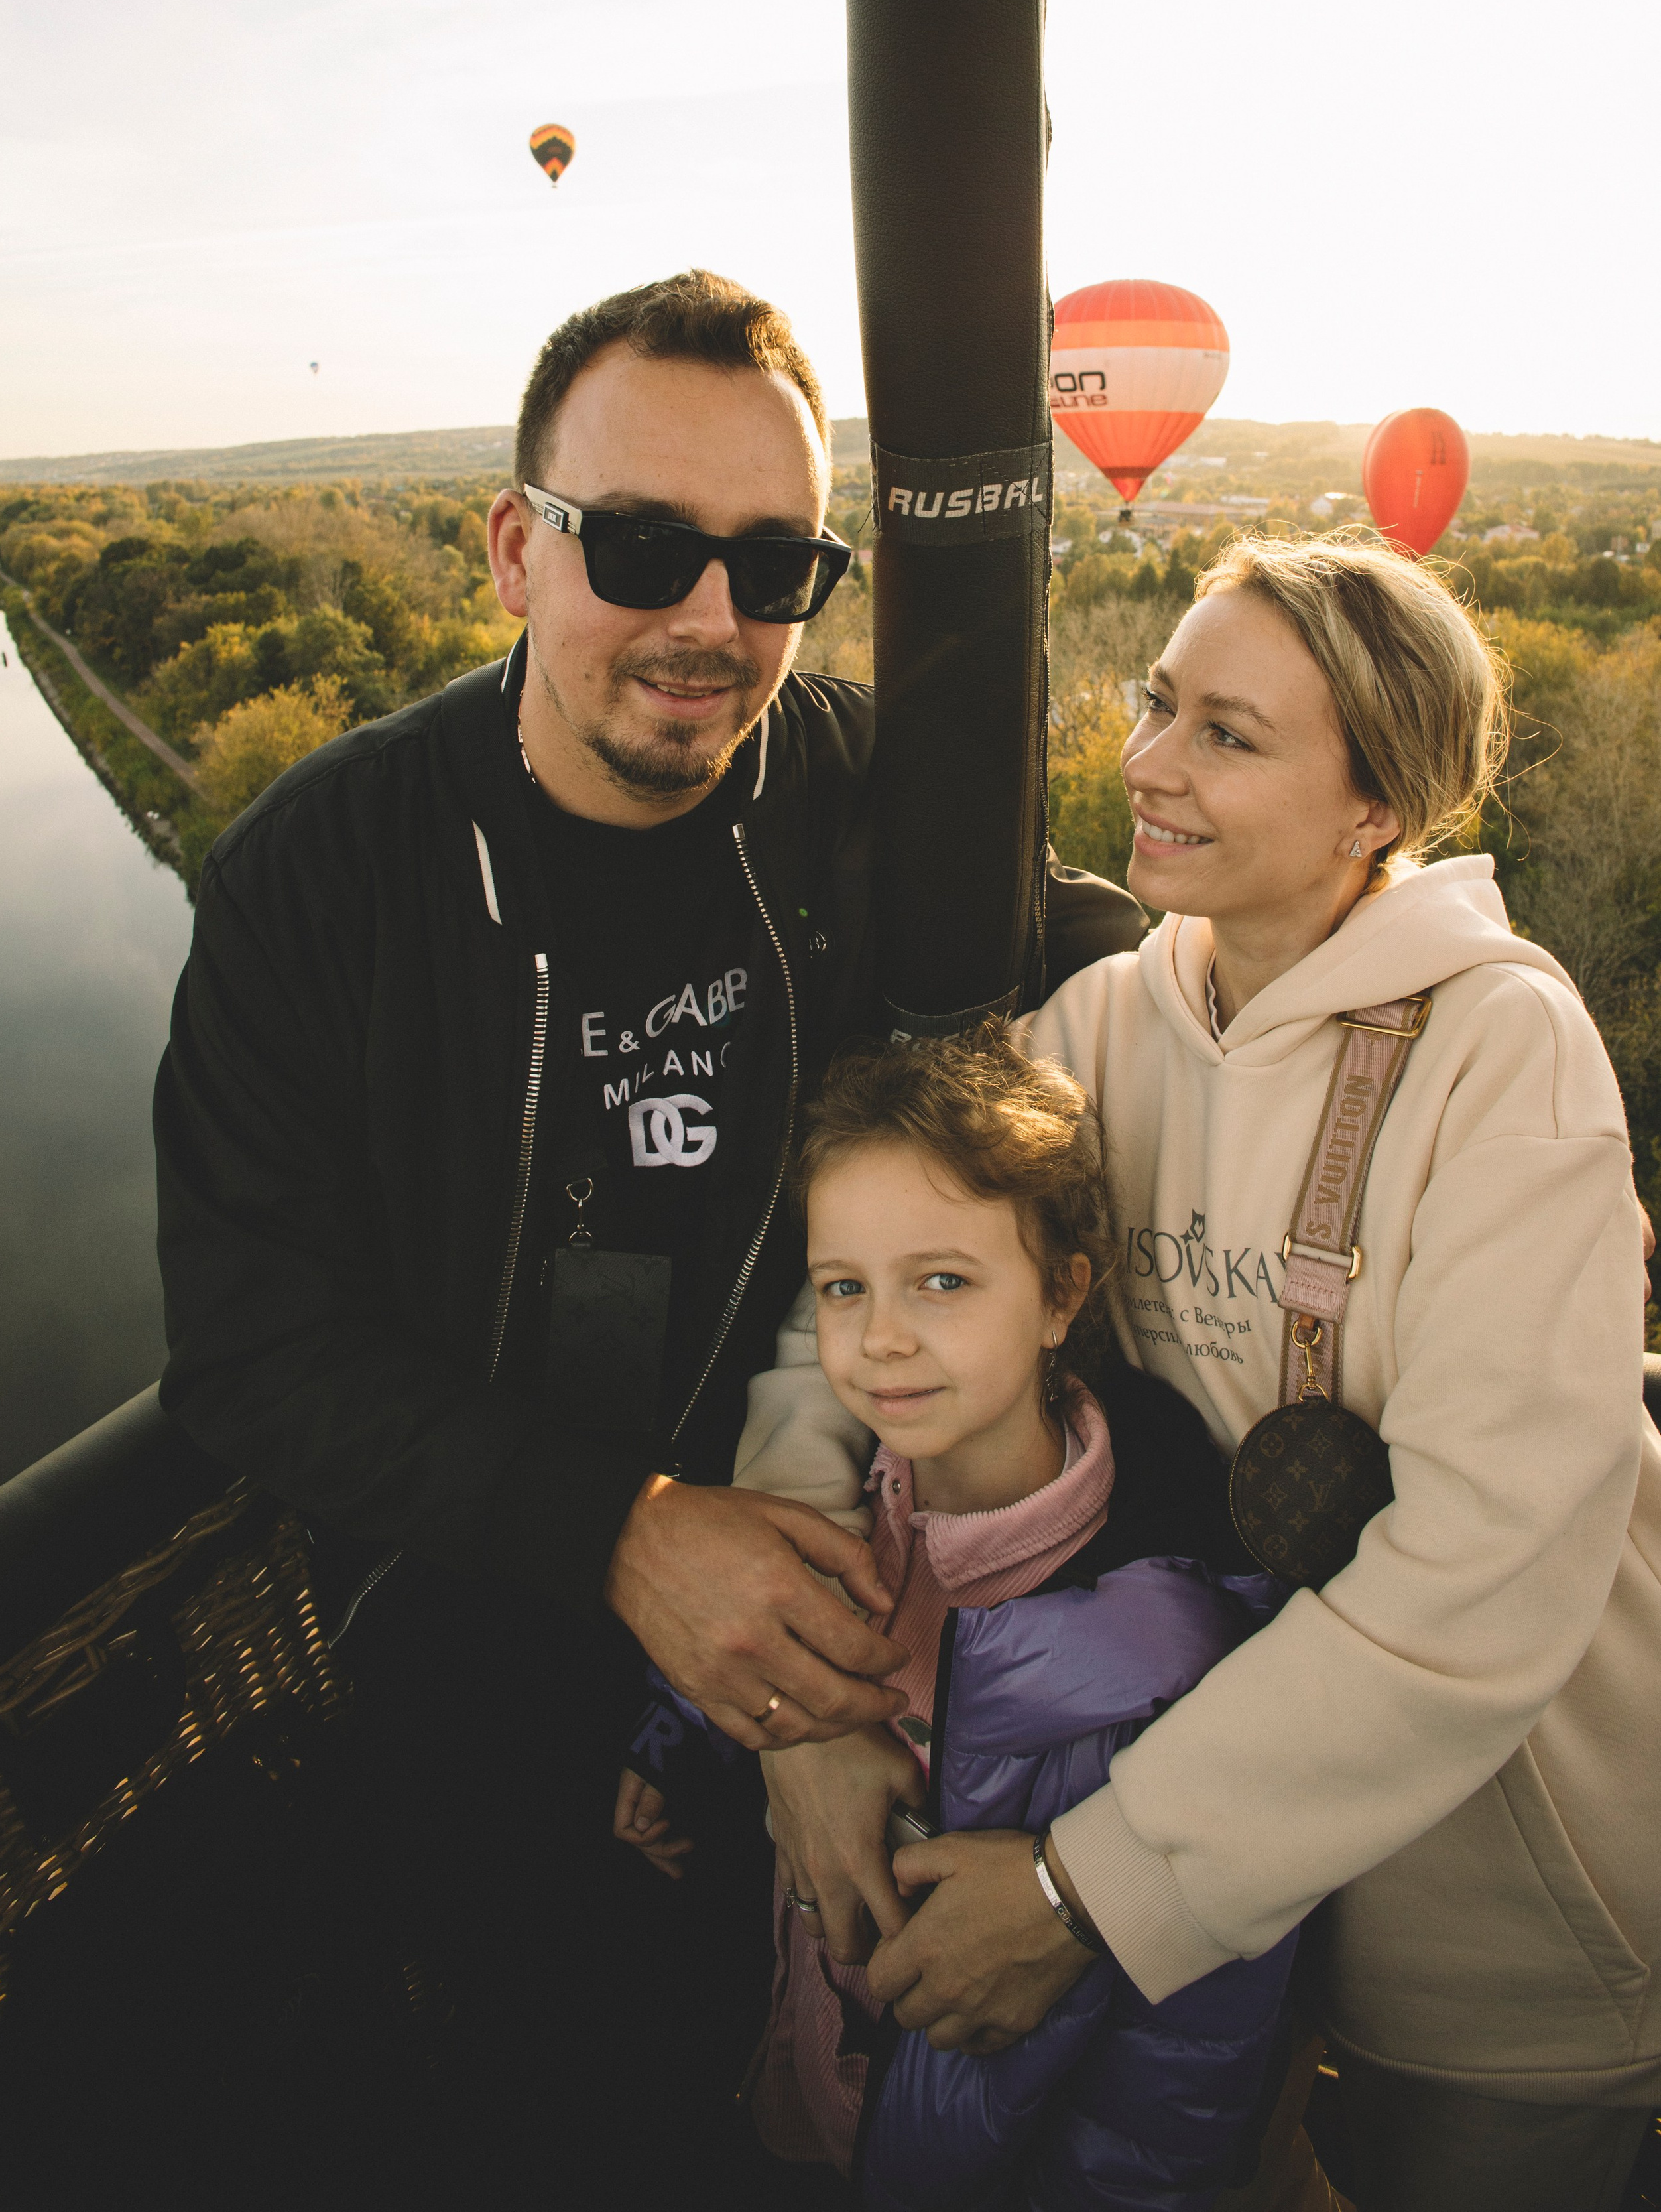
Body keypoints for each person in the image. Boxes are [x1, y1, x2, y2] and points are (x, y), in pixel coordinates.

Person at [152, 268, 1142, 2189]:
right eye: (645, 547)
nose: (711, 621)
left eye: (775, 569)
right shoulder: (326, 875)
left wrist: (1423, 1025)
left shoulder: (851, 793)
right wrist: (623, 1534)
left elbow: (1101, 963)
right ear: (515, 550)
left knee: (850, 2090)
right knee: (562, 2095)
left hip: (851, 1605)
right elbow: (250, 1344)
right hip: (478, 1637)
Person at [749, 531, 1661, 2212]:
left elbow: (1490, 1567)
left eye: (1228, 736)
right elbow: (862, 1309)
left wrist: (1083, 1892)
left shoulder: (1497, 1055)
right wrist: (788, 1698)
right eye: (1157, 703)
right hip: (1206, 1894)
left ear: (1374, 809)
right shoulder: (1100, 1026)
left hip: (1489, 1911)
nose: (1148, 765)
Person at [615, 1030, 1316, 2209]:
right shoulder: (834, 1513)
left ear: (1060, 1298)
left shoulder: (1154, 1652)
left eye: (942, 1281)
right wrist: (680, 1738)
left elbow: (1182, 2059)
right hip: (825, 2081)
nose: (882, 1335)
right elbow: (747, 1643)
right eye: (847, 1287)